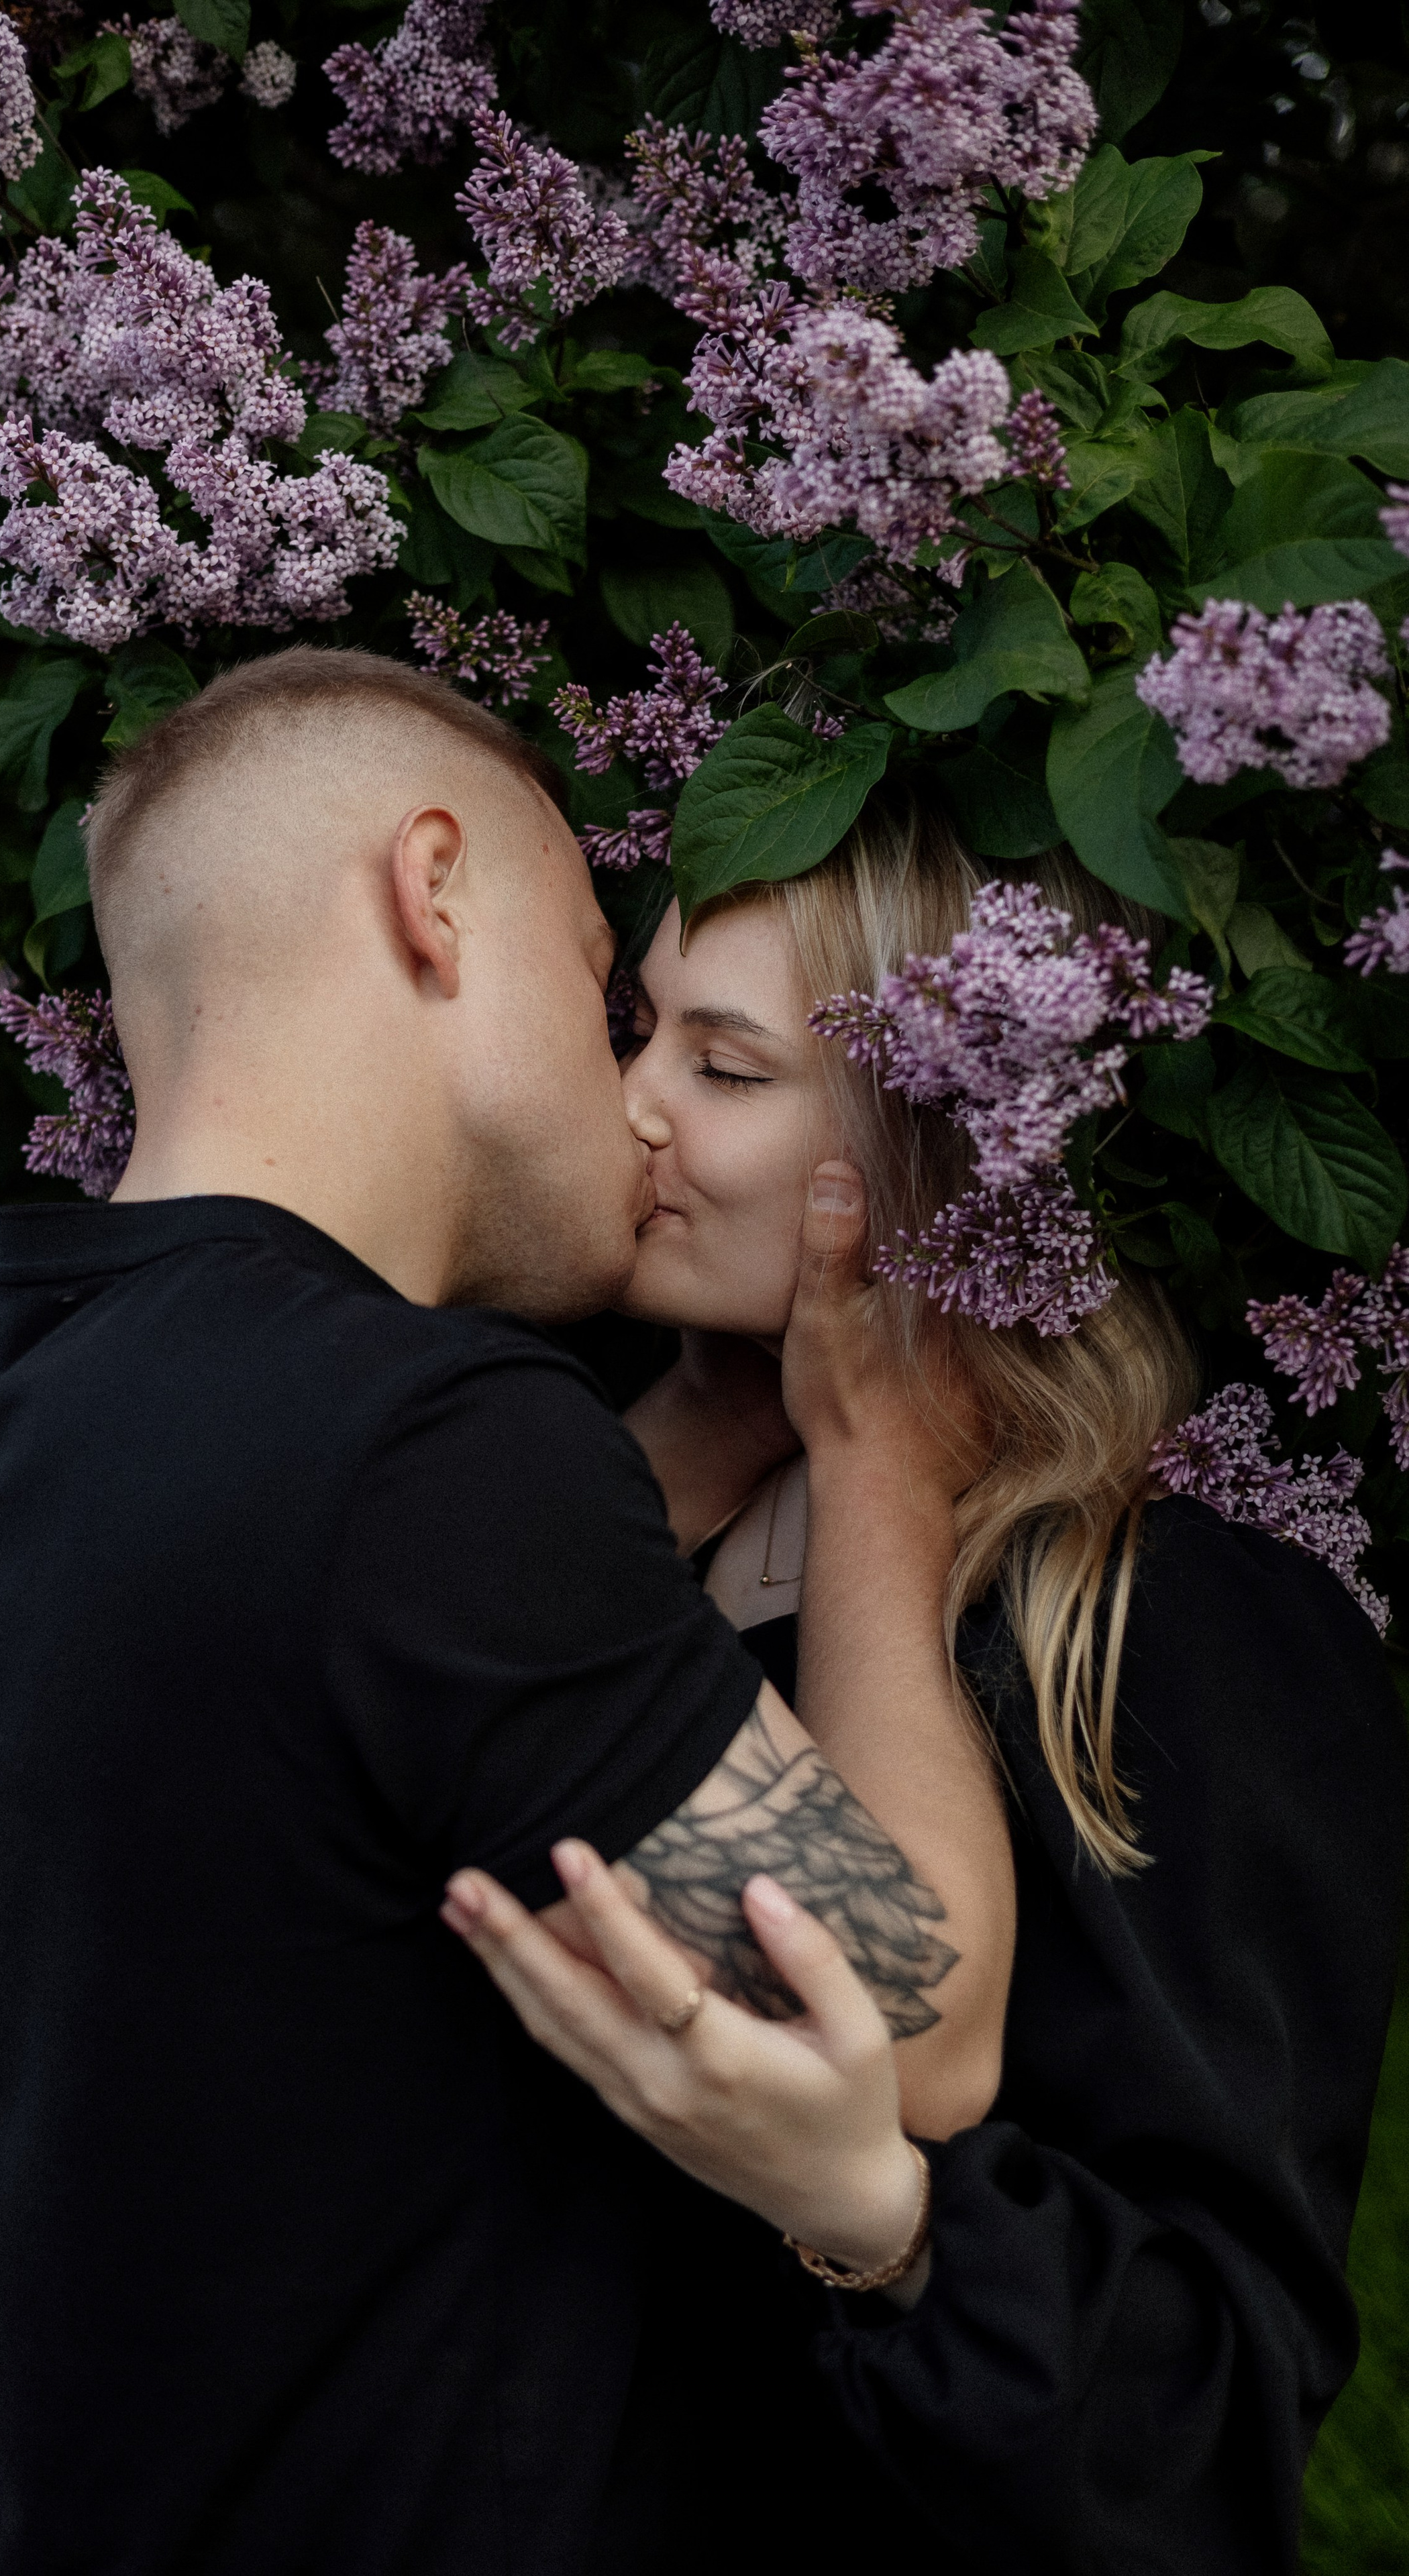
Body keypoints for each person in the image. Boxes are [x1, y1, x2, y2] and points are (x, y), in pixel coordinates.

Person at [0, 651, 1013, 2576]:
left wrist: (693, 1431)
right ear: (432, 889)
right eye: (601, 979)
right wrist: (876, 1453)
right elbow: (914, 2024)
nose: (632, 1095)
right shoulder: (418, 1451)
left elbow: (314, 1677)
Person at [444, 796, 1409, 2576]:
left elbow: (1200, 2407)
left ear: (947, 1151)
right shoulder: (564, 1478)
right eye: (635, 1034)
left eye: (728, 1070)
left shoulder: (1161, 1625)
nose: (634, 1105)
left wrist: (896, 2245)